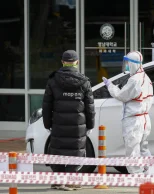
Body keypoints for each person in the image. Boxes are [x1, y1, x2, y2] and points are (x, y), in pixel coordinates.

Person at [42, 50, 95, 191]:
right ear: (77, 62)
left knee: (58, 150)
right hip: (78, 125)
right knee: (75, 150)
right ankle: (71, 181)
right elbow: (90, 107)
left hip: (58, 123)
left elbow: (46, 105)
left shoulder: (53, 81)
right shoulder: (84, 81)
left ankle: (59, 181)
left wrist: (47, 124)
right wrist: (90, 125)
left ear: (62, 62)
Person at [102, 51, 153, 174]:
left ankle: (137, 176)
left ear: (133, 64)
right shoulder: (145, 77)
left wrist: (110, 86)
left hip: (134, 120)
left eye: (128, 63)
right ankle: (150, 173)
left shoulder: (134, 80)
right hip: (144, 119)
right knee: (143, 148)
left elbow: (121, 95)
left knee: (133, 150)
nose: (126, 66)